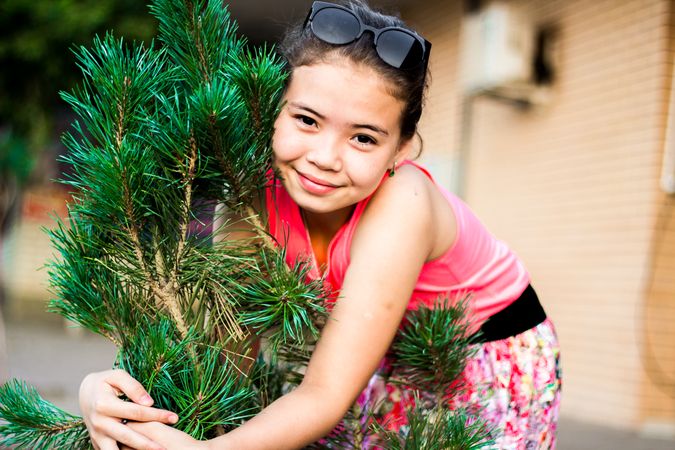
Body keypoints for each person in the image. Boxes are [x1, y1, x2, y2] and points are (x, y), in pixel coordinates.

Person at [78, 1, 562, 449]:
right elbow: (221, 359)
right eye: (307, 120)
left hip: (482, 361)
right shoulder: (252, 200)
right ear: (271, 110)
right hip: (372, 355)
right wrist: (105, 394)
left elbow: (326, 395)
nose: (325, 158)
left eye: (364, 138)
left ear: (401, 149)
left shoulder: (404, 202)